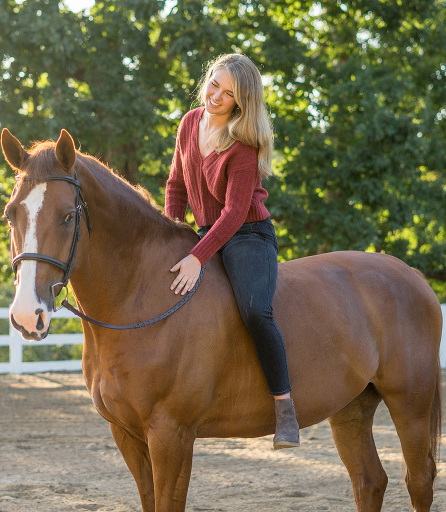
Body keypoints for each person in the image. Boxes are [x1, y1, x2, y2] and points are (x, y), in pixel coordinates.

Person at [165, 53, 299, 450]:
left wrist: (196, 256)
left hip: (247, 234)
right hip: (204, 230)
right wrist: (172, 232)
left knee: (256, 310)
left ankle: (284, 407)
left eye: (229, 93)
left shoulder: (243, 146)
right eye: (213, 84)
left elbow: (235, 212)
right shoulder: (189, 123)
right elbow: (175, 186)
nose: (216, 96)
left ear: (242, 101)